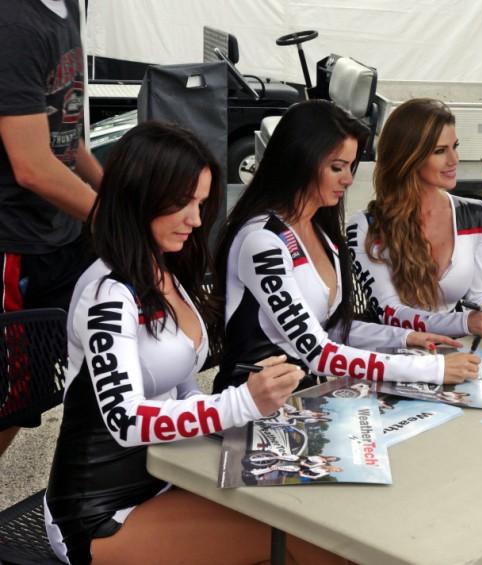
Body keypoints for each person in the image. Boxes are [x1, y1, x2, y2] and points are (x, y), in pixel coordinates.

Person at [43, 122, 345, 565]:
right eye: (183, 203)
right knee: (304, 540)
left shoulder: (166, 272)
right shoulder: (106, 291)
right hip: (101, 515)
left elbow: (183, 389)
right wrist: (242, 404)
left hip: (167, 479)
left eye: (201, 203)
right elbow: (125, 419)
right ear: (139, 196)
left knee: (316, 516)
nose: (197, 219)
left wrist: (255, 426)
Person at [213, 100, 480, 394]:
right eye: (336, 167)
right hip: (250, 409)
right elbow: (318, 352)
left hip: (302, 399)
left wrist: (404, 338)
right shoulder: (261, 241)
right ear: (300, 160)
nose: (349, 179)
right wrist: (432, 369)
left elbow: (334, 330)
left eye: (351, 166)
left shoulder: (320, 232)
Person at [347, 98, 482, 342]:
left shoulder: (477, 214)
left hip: (455, 352)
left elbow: (480, 298)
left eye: (455, 146)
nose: (454, 159)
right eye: (440, 151)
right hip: (392, 360)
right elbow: (390, 314)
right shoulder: (365, 226)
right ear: (408, 157)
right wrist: (464, 323)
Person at [0, 0, 103, 457]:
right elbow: (32, 167)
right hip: (13, 240)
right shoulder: (15, 22)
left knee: (37, 389)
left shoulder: (64, 11)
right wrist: (120, 221)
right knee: (9, 396)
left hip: (60, 235)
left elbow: (68, 135)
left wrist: (124, 198)